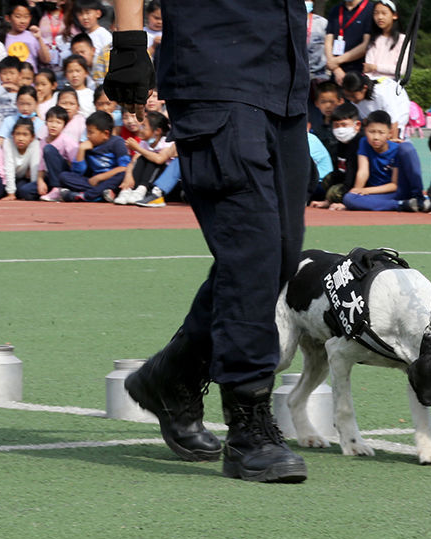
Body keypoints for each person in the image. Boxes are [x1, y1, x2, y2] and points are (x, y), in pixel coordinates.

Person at [105, 0, 312, 483]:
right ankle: (248, 428)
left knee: (279, 254)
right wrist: (130, 43)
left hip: (283, 77)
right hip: (216, 73)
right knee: (253, 252)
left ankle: (173, 376)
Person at [341, 109, 425, 211]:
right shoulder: (364, 142)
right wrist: (356, 191)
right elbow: (363, 172)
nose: (376, 137)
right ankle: (402, 205)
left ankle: (419, 199)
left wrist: (365, 190)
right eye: (371, 132)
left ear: (390, 133)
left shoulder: (397, 149)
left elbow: (394, 185)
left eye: (381, 133)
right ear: (365, 130)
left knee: (407, 147)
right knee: (349, 198)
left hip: (398, 190)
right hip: (380, 194)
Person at [340, 72, 409, 139]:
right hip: (379, 118)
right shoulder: (356, 99)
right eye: (348, 96)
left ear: (364, 88)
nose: (351, 100)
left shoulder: (381, 93)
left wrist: (393, 142)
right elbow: (366, 120)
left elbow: (394, 121)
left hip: (398, 115)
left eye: (353, 96)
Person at [325, 0, 374, 85]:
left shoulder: (371, 9)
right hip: (336, 73)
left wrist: (335, 61)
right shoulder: (336, 10)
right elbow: (328, 40)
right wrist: (336, 69)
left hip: (359, 73)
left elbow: (366, 45)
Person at [363, 0, 408, 81]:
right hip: (371, 84)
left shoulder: (402, 39)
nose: (379, 17)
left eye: (384, 13)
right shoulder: (373, 39)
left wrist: (375, 67)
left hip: (391, 85)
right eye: (376, 13)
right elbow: (367, 67)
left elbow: (400, 70)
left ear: (394, 15)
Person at [0, 116, 42, 200]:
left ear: (32, 137)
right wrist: (11, 193)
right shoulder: (8, 143)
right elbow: (9, 168)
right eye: (17, 134)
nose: (20, 138)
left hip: (21, 179)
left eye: (25, 135)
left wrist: (33, 188)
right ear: (12, 135)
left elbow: (35, 168)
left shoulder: (35, 144)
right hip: (5, 178)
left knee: (24, 191)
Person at [4, 0, 50, 71]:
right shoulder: (2, 38)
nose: (23, 21)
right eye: (18, 17)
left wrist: (39, 38)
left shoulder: (33, 36)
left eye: (26, 17)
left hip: (31, 80)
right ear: (8, 18)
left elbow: (46, 60)